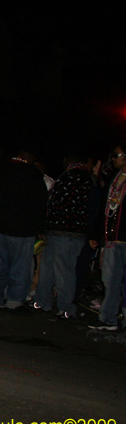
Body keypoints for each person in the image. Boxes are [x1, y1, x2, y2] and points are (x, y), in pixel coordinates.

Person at [0, 151, 48, 311]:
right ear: (27, 160)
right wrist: (41, 228)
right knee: (20, 266)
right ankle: (14, 300)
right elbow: (39, 203)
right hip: (22, 228)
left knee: (0, 263)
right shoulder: (32, 174)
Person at [33, 154, 93, 319]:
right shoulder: (74, 178)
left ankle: (65, 308)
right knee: (49, 269)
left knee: (62, 271)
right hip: (59, 231)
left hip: (67, 233)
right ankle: (43, 302)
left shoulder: (76, 178)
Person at [88, 142, 126, 331]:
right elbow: (103, 208)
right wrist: (97, 234)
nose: (113, 158)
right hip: (112, 239)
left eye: (116, 155)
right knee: (110, 280)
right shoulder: (115, 178)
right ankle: (108, 318)